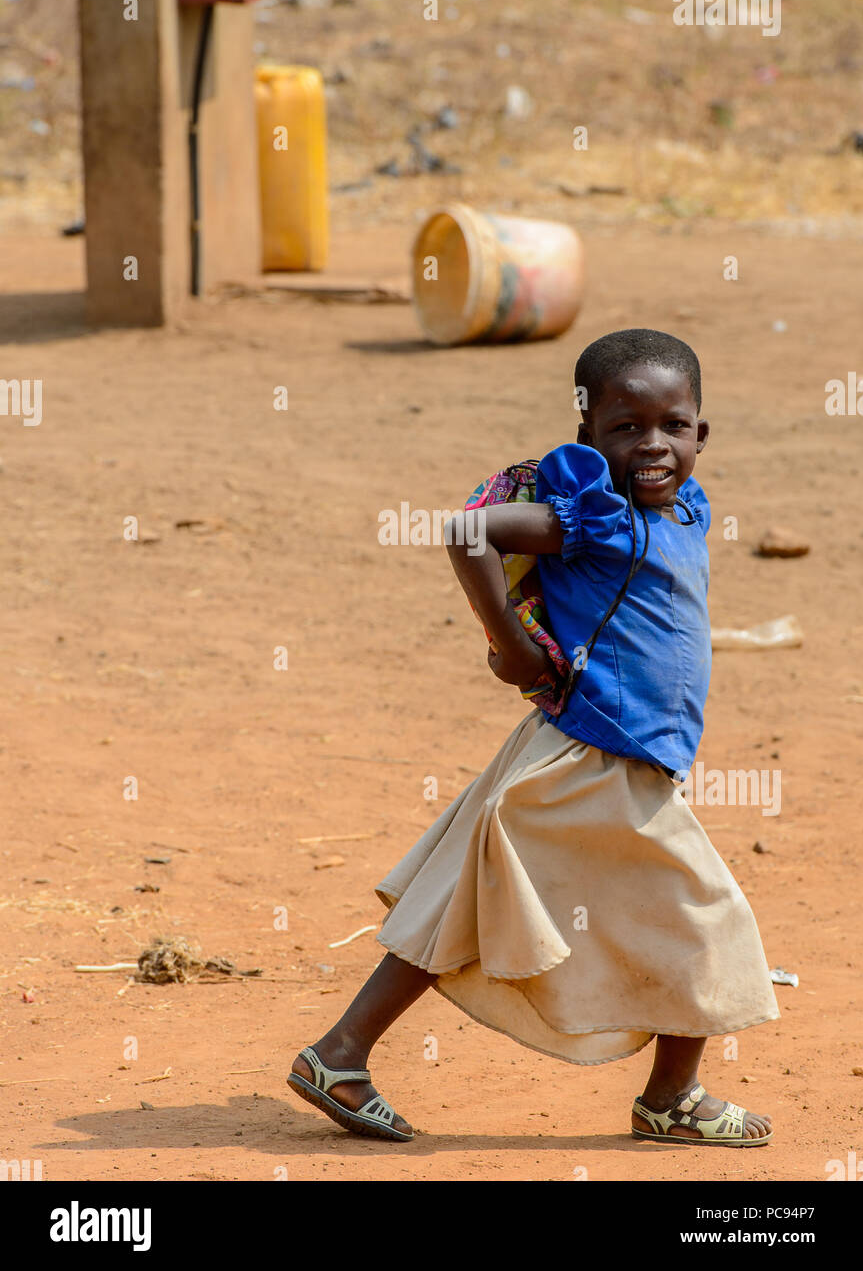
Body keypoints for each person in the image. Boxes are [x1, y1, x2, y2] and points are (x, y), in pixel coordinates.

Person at [288, 328, 779, 1147]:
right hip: (598, 756)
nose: (651, 445)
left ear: (701, 433)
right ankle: (671, 1098)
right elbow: (468, 531)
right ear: (587, 435)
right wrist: (511, 646)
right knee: (707, 919)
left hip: (583, 750)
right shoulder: (596, 519)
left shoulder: (685, 505)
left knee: (465, 904)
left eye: (672, 425)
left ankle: (338, 1054)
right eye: (624, 428)